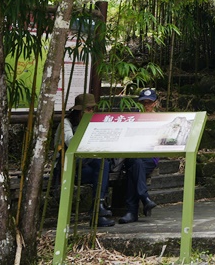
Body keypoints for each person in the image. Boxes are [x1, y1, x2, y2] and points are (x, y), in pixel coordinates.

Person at [61, 93, 114, 227]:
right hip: (71, 166)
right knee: (101, 166)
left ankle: (98, 208)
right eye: (87, 109)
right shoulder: (67, 123)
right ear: (79, 110)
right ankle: (99, 208)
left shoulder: (94, 121)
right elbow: (70, 142)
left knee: (102, 166)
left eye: (92, 109)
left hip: (89, 166)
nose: (90, 112)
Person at [116, 87, 160, 223]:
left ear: (155, 103)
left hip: (149, 157)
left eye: (149, 102)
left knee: (136, 166)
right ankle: (144, 197)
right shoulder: (134, 117)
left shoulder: (161, 119)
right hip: (134, 154)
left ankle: (132, 211)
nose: (147, 105)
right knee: (136, 163)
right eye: (144, 102)